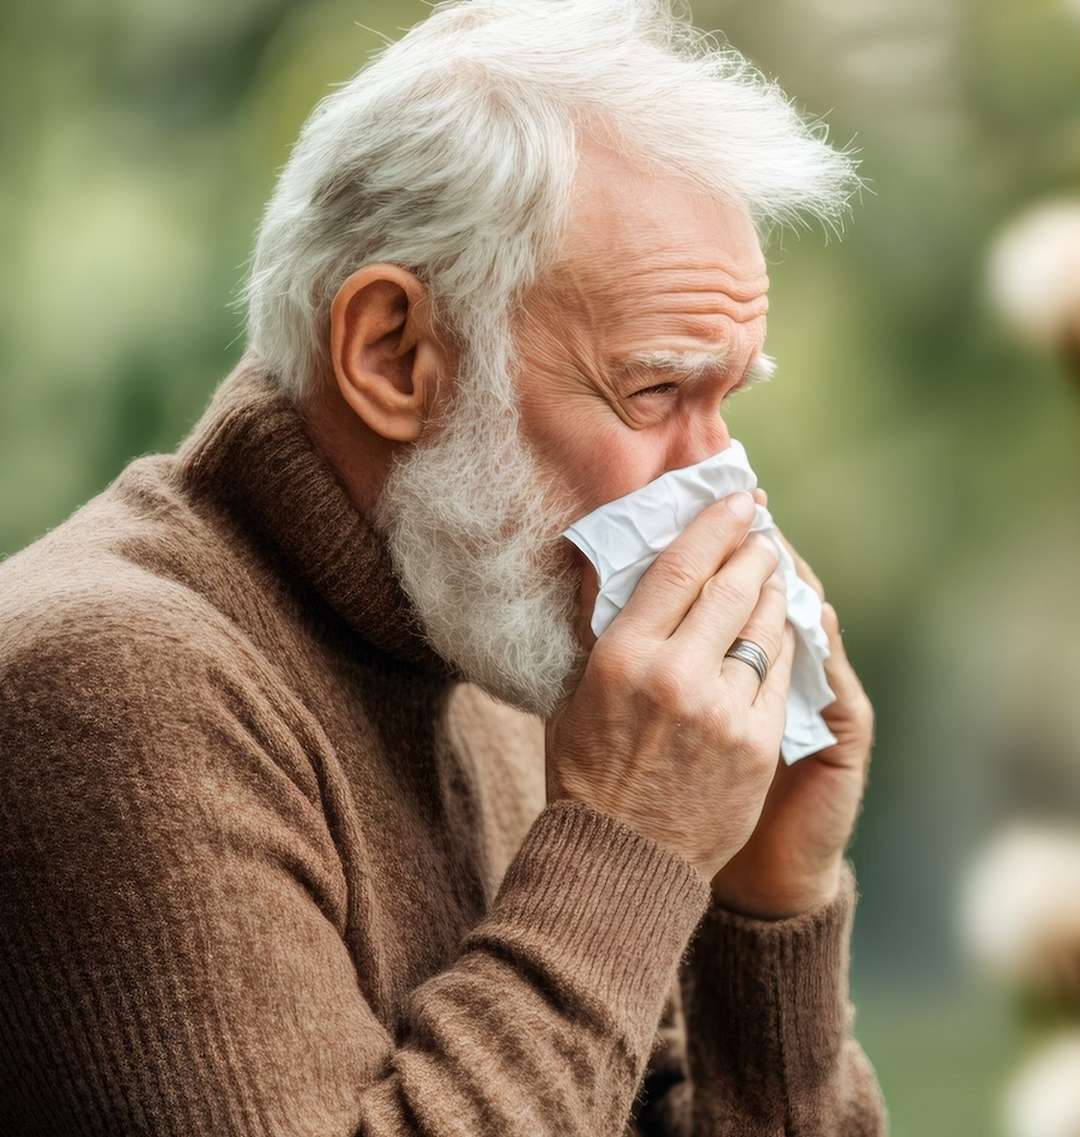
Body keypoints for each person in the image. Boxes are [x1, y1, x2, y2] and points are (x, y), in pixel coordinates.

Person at [0, 2, 883, 1133]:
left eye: (725, 400)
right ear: (393, 355)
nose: (726, 490)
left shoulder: (505, 662)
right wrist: (624, 844)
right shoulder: (109, 686)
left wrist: (767, 907)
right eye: (655, 392)